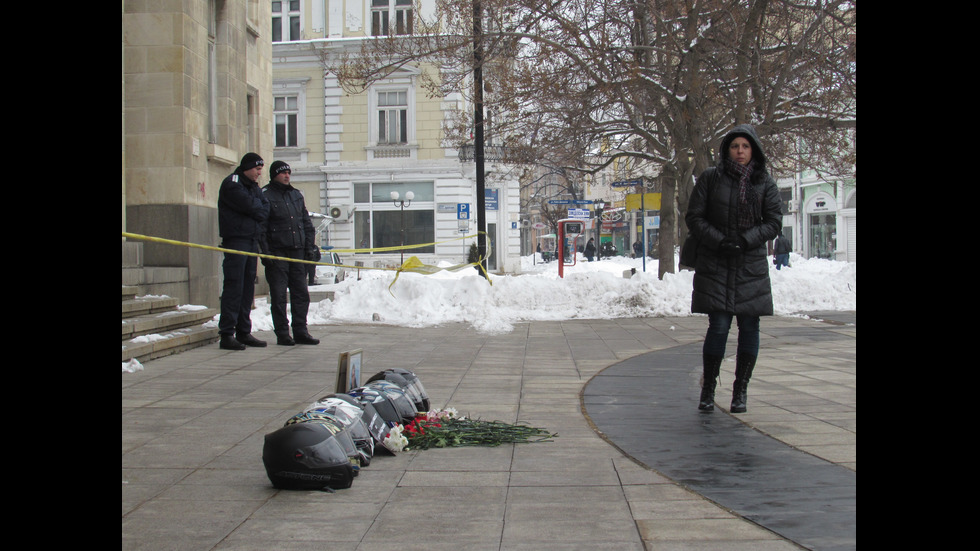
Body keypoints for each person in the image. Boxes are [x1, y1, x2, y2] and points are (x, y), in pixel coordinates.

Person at [685, 124, 782, 413]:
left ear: (754, 150)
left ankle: (740, 390)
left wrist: (744, 239)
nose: (740, 151)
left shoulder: (764, 182)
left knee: (750, 326)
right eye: (735, 146)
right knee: (719, 326)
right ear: (727, 149)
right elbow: (695, 217)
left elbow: (773, 222)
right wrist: (721, 241)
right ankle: (709, 388)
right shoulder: (710, 179)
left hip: (750, 265)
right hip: (716, 264)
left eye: (746, 146)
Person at [261, 161, 320, 346]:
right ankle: (282, 333)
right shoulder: (265, 195)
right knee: (278, 296)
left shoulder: (295, 195)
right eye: (283, 173)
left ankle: (301, 331)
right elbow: (262, 228)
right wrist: (266, 254)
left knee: (301, 294)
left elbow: (306, 223)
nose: (287, 175)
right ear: (274, 175)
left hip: (298, 252)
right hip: (278, 254)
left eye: (288, 172)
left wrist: (309, 247)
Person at [217, 153, 270, 351]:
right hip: (236, 240)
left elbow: (264, 209)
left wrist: (257, 209)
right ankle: (227, 333)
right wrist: (256, 209)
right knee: (234, 286)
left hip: (250, 240)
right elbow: (252, 206)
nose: (259, 173)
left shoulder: (254, 187)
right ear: (247, 167)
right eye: (257, 169)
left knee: (248, 287)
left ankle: (243, 330)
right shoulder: (233, 183)